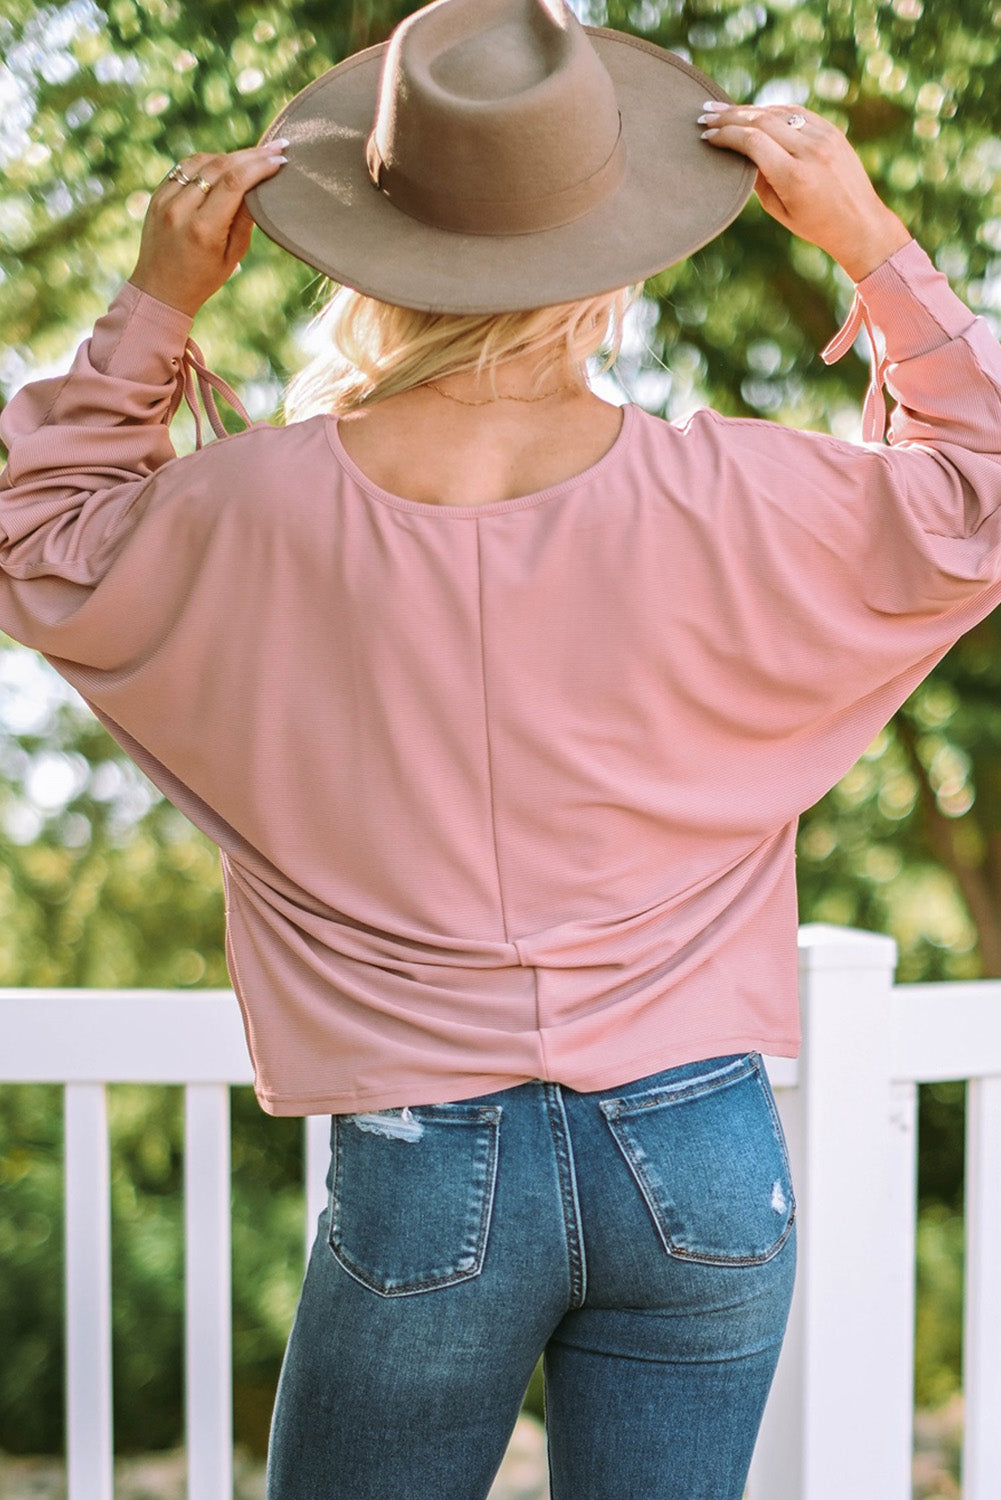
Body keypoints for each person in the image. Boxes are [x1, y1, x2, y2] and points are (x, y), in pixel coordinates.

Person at [2, 0, 1000, 1495]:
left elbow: (34, 531)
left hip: (426, 1166)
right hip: (704, 1153)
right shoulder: (737, 493)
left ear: (369, 254)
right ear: (612, 266)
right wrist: (870, 244)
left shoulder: (251, 516)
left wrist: (156, 304)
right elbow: (980, 478)